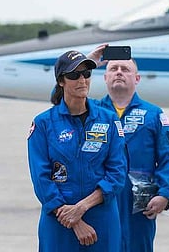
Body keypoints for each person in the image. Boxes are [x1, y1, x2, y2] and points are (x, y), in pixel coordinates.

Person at [27, 50, 127, 251]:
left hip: (101, 217)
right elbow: (41, 178)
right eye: (74, 75)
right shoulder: (43, 124)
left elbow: (117, 173)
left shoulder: (109, 120)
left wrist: (81, 208)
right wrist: (73, 220)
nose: (82, 80)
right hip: (59, 219)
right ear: (61, 81)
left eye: (86, 74)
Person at [89, 45, 169, 252]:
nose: (119, 72)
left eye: (125, 69)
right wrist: (90, 63)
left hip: (138, 204)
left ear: (137, 78)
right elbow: (59, 99)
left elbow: (168, 157)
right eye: (113, 69)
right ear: (104, 77)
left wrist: (164, 193)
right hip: (99, 199)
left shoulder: (153, 115)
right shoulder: (91, 112)